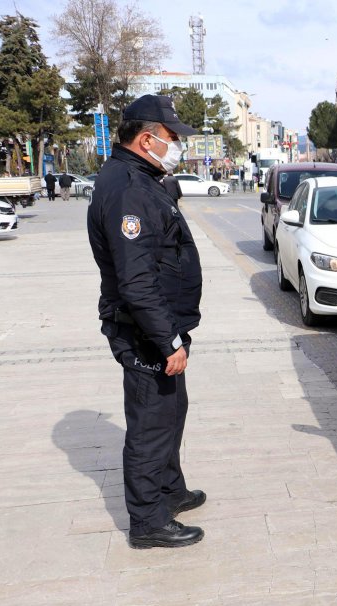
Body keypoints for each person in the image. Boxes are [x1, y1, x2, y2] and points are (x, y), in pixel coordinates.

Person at [86, 94, 206, 549]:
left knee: (171, 411)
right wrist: (168, 340)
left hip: (160, 324)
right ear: (146, 139)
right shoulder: (128, 189)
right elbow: (136, 280)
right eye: (172, 137)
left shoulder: (141, 178)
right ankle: (148, 521)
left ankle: (170, 489)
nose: (178, 145)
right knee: (151, 426)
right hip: (145, 331)